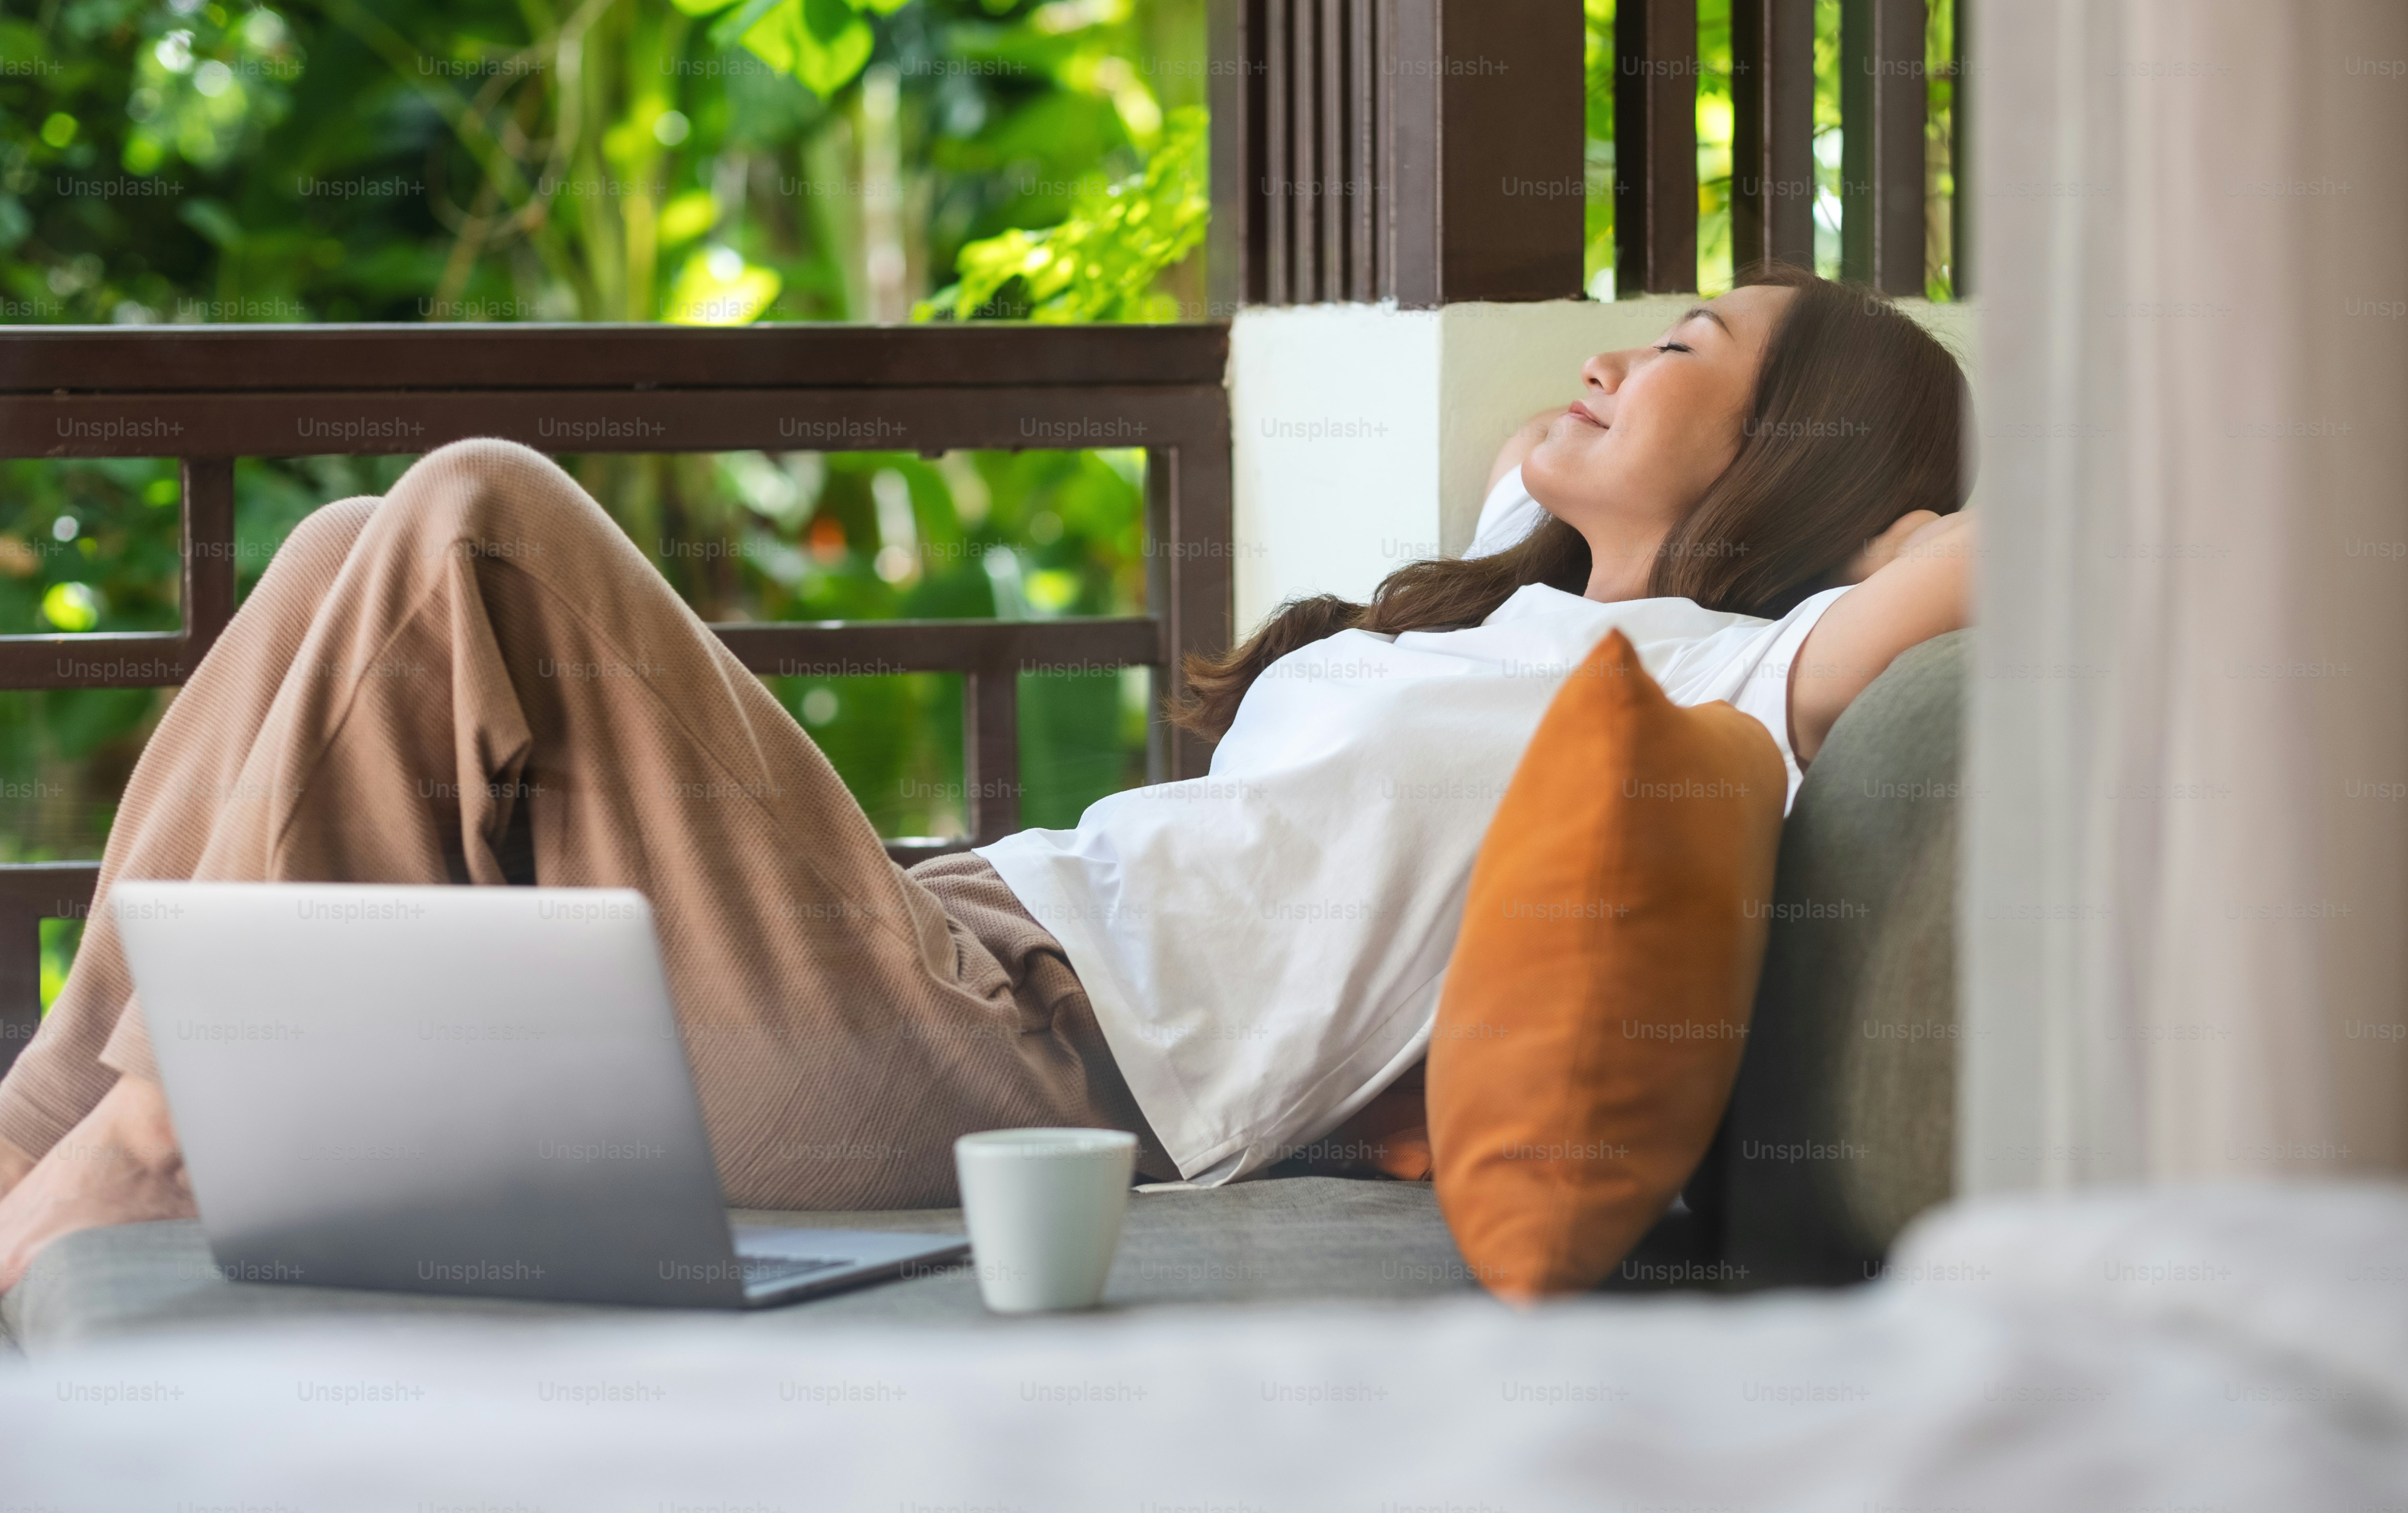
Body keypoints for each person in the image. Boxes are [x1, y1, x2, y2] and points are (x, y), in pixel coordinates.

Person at [0, 266, 1975, 1289]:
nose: (1618, 361)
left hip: (1018, 1063)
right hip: (937, 932)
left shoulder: (1730, 672)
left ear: (1798, 456)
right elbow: (1562, 503)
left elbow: (2052, 528)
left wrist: (1898, 534)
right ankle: (57, 1146)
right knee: (351, 549)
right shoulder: (1503, 615)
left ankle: (161, 1137)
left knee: (477, 521)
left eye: (1689, 345)